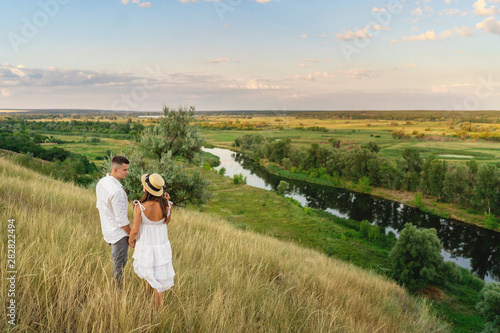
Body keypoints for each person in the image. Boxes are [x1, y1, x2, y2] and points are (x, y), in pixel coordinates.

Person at [129, 173, 175, 309]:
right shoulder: (167, 206)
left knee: (152, 275)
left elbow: (135, 229)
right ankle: (151, 306)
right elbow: (167, 221)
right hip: (161, 246)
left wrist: (131, 240)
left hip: (147, 245)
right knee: (158, 276)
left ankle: (157, 311)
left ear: (146, 189)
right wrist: (167, 203)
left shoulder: (140, 207)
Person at [95, 155, 132, 287]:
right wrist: (132, 235)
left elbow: (100, 206)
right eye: (125, 170)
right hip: (118, 234)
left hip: (108, 231)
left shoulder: (102, 182)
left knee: (118, 261)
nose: (127, 172)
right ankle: (118, 295)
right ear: (115, 170)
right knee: (119, 266)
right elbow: (122, 221)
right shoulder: (117, 192)